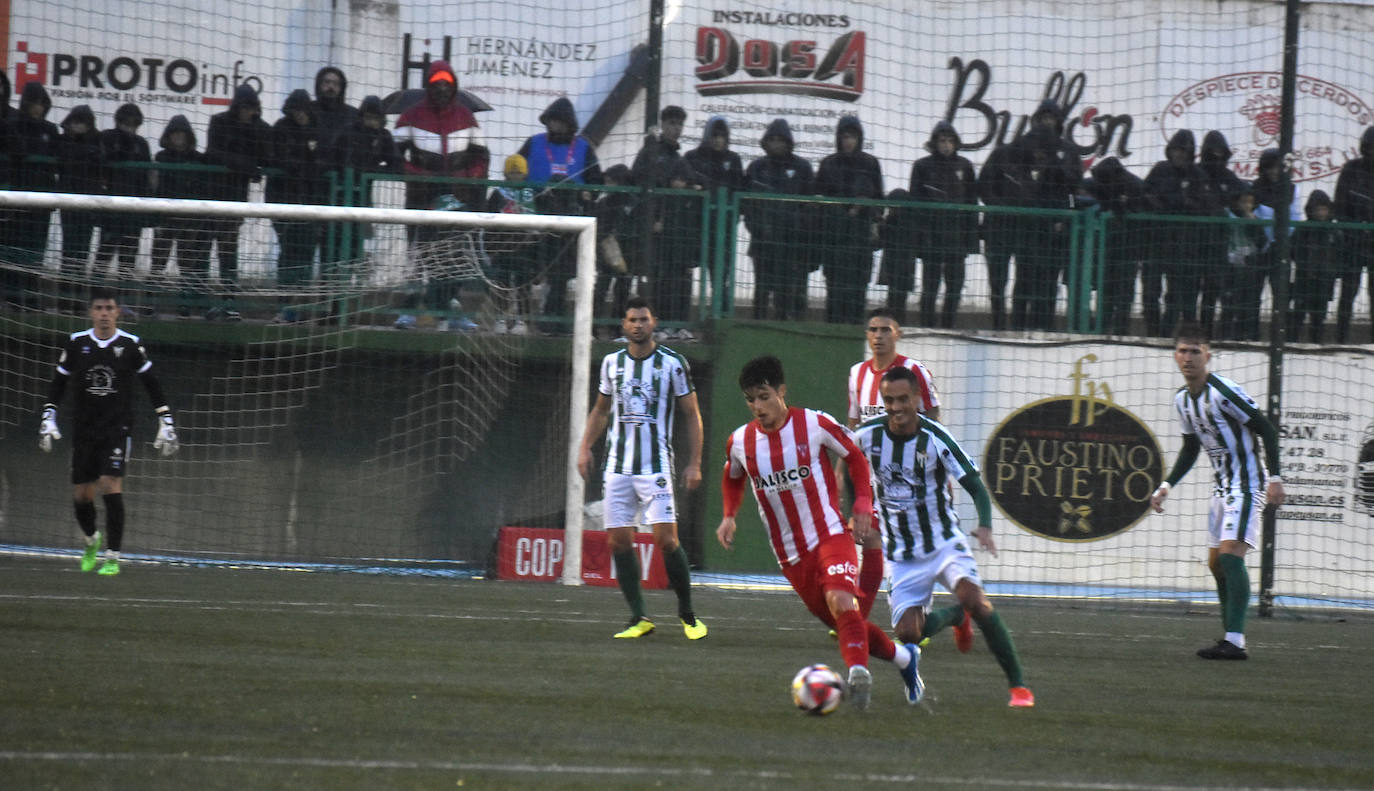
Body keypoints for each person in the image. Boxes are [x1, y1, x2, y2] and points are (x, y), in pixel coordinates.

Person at [717, 355, 923, 709]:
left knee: (842, 602)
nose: (758, 406)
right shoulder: (740, 442)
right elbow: (733, 477)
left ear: (782, 391)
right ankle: (906, 660)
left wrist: (862, 504)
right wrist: (729, 515)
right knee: (848, 620)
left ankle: (858, 674)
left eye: (764, 396)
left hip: (830, 535)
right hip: (790, 555)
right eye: (751, 399)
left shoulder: (814, 424)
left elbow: (856, 458)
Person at [853, 366, 1034, 707]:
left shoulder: (935, 437)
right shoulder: (866, 436)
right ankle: (955, 617)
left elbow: (976, 487)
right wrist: (857, 504)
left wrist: (984, 524)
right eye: (889, 400)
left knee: (976, 600)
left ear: (918, 399)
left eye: (903, 399)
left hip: (943, 542)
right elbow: (843, 461)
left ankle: (1019, 687)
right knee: (909, 634)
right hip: (901, 552)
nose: (896, 407)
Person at [1150, 321, 1285, 660]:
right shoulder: (1183, 401)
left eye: (1195, 351)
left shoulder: (1223, 392)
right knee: (1216, 564)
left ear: (1208, 355)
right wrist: (1166, 485)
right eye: (1182, 351)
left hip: (1248, 483)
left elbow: (1266, 428)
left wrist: (1276, 478)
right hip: (1222, 487)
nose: (1188, 357)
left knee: (1229, 556)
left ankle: (1235, 641)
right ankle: (1229, 636)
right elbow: (1190, 448)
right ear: (1174, 356)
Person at [575, 297, 706, 641]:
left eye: (643, 319)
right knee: (619, 542)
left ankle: (687, 614)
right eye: (632, 319)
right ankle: (638, 617)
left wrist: (694, 463)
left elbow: (691, 414)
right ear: (623, 324)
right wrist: (585, 446)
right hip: (617, 467)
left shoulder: (672, 364)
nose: (637, 325)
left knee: (666, 540)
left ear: (654, 322)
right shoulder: (611, 364)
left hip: (656, 466)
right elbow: (601, 410)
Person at [37, 287, 180, 576]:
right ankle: (92, 540)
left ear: (118, 312)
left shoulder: (130, 345)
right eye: (99, 309)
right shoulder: (77, 344)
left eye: (109, 308)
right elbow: (59, 382)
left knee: (109, 483)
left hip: (117, 429)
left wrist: (165, 420)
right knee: (82, 495)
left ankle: (113, 556)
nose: (104, 314)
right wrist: (48, 414)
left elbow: (151, 383)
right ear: (91, 312)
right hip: (84, 430)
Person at [844, 308, 942, 633]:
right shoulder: (857, 373)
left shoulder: (915, 372)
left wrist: (935, 467)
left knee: (917, 552)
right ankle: (857, 618)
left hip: (915, 479)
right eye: (873, 329)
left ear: (897, 334)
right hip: (875, 479)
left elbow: (935, 422)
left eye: (886, 329)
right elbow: (853, 426)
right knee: (870, 539)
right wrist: (838, 469)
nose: (878, 336)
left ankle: (937, 619)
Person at [516, 96, 602, 331]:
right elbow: (516, 172)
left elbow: (597, 182)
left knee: (562, 272)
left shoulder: (584, 148)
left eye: (559, 121)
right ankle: (522, 317)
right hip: (535, 220)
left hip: (570, 224)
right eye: (551, 121)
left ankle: (554, 319)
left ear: (569, 123)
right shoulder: (533, 143)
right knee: (526, 268)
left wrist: (587, 195)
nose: (554, 126)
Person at [1143, 130, 1219, 337]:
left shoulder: (1198, 175)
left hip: (1185, 246)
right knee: (1150, 292)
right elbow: (1145, 194)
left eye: (1183, 151)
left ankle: (1167, 334)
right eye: (1175, 150)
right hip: (1156, 242)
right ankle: (1152, 332)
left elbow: (1204, 205)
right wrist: (1166, 202)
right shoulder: (1160, 170)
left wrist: (1173, 202)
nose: (1179, 155)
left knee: (1175, 296)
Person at [742, 119, 815, 320]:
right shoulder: (756, 168)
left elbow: (810, 205)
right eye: (772, 140)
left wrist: (796, 227)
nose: (776, 144)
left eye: (780, 140)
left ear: (788, 142)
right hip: (763, 243)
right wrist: (759, 228)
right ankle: (758, 329)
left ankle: (789, 331)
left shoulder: (802, 168)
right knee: (762, 292)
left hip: (792, 245)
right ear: (766, 142)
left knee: (789, 294)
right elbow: (746, 205)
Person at [815, 115, 884, 326]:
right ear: (838, 138)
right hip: (834, 241)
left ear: (859, 138)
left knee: (858, 292)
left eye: (852, 136)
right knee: (835, 292)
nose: (848, 141)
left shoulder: (870, 164)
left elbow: (879, 201)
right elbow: (817, 200)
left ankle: (855, 336)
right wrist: (840, 212)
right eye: (844, 136)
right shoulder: (828, 164)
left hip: (861, 241)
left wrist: (863, 208)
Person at [910, 121, 978, 328]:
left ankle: (949, 326)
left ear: (956, 143)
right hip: (931, 235)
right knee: (930, 286)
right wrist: (919, 238)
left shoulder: (964, 166)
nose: (946, 145)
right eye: (942, 141)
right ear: (934, 142)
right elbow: (914, 202)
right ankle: (926, 326)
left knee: (955, 286)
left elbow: (971, 204)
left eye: (950, 141)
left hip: (956, 236)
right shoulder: (922, 166)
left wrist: (971, 240)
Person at [205, 83, 272, 287]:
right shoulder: (219, 122)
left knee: (228, 246)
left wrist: (254, 128)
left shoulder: (259, 128)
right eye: (244, 107)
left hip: (236, 195)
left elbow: (266, 156)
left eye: (251, 108)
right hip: (211, 193)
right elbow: (213, 153)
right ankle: (194, 298)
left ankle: (228, 297)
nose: (247, 112)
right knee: (202, 246)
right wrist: (245, 165)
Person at [266, 89, 327, 291]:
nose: (299, 114)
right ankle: (284, 299)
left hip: (310, 202)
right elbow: (275, 159)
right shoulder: (281, 129)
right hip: (282, 200)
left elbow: (322, 162)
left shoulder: (318, 129)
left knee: (306, 251)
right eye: (295, 111)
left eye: (302, 110)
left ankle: (300, 301)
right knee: (288, 251)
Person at [149, 115, 211, 299]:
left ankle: (185, 301)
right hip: (165, 215)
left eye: (181, 134)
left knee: (187, 261)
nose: (178, 138)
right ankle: (150, 300)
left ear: (188, 136)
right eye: (174, 134)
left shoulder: (198, 159)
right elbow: (154, 186)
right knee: (158, 259)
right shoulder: (161, 157)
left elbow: (203, 188)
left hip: (189, 217)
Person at [1087, 157, 1148, 335]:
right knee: (1105, 288)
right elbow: (1080, 190)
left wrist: (1122, 206)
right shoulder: (1100, 182)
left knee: (1123, 291)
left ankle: (1120, 329)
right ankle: (1102, 327)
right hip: (1108, 246)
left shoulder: (1134, 186)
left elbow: (1141, 208)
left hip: (1129, 247)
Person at [483, 153, 541, 335]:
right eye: (512, 173)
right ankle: (501, 317)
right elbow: (489, 221)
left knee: (524, 285)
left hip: (525, 247)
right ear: (506, 174)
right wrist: (490, 247)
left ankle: (522, 320)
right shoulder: (498, 193)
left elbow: (539, 223)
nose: (516, 176)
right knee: (502, 284)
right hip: (503, 247)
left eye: (519, 173)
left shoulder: (532, 193)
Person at [96, 103, 153, 278]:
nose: (129, 127)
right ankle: (96, 298)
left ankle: (124, 301)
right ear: (118, 121)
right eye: (126, 122)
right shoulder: (107, 137)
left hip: (133, 210)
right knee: (103, 255)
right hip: (111, 208)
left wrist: (145, 209)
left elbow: (146, 178)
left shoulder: (142, 144)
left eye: (133, 123)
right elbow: (102, 164)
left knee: (128, 259)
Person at [1333, 126, 1374, 343]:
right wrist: (1351, 228)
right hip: (1353, 242)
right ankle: (1340, 337)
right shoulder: (1351, 170)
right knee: (1348, 291)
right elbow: (1339, 203)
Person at [1288, 190, 1342, 343]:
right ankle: (1292, 342)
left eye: (1324, 209)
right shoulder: (1302, 230)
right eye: (1317, 209)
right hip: (1304, 279)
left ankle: (1316, 343)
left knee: (1319, 316)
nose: (1321, 213)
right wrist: (1304, 264)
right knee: (1298, 314)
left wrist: (1333, 271)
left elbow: (1340, 253)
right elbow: (1293, 250)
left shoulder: (1334, 231)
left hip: (1325, 280)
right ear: (1310, 210)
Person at [1218, 189, 1268, 341]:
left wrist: (1252, 222)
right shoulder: (1225, 216)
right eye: (1243, 201)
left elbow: (1262, 242)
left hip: (1250, 268)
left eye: (1249, 202)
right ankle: (1226, 336)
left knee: (1250, 303)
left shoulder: (1255, 219)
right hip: (1229, 268)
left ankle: (1248, 336)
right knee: (1230, 303)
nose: (1246, 206)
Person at [311, 66, 358, 150]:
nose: (331, 87)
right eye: (327, 82)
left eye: (336, 83)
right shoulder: (307, 110)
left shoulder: (353, 115)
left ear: (342, 88)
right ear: (319, 84)